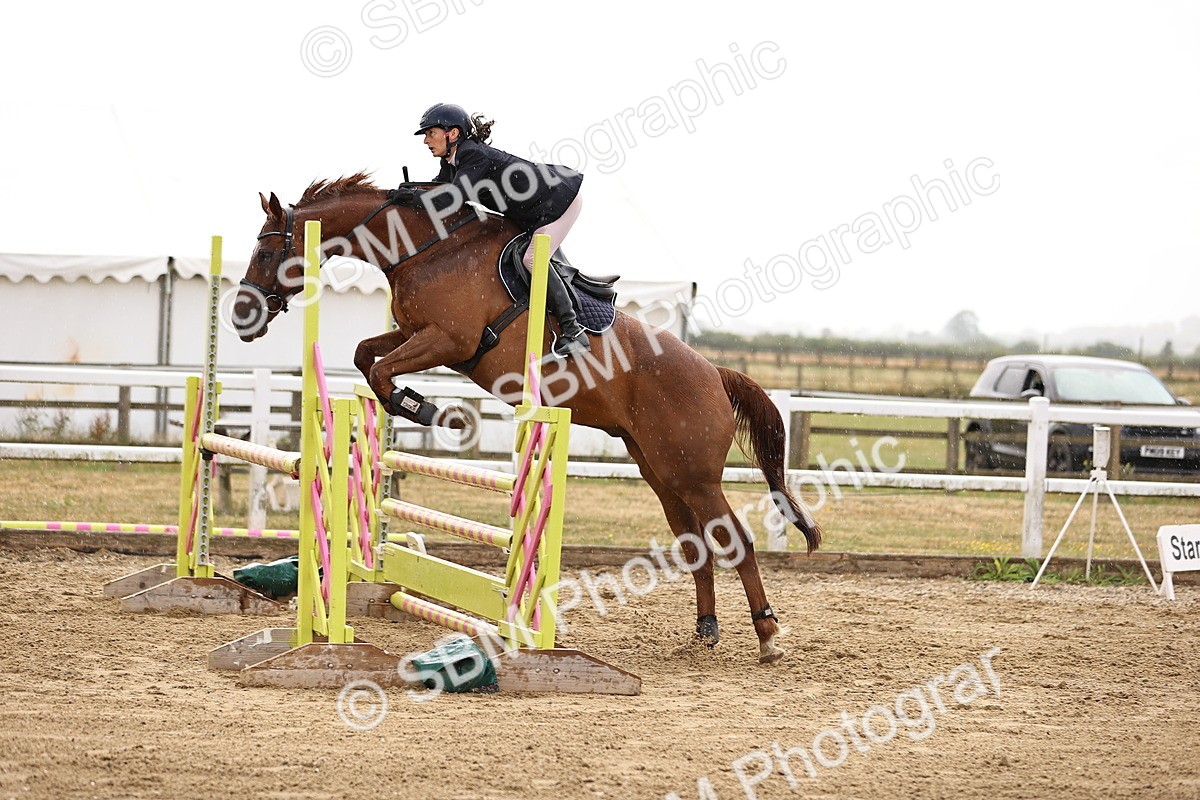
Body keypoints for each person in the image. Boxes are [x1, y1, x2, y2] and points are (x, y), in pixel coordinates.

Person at [411, 102, 590, 359]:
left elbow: (453, 199)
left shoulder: (473, 155)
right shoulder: (452, 162)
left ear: (452, 133)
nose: (426, 140)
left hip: (559, 201)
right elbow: (436, 190)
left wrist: (411, 199)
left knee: (532, 259)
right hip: (535, 210)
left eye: (431, 133)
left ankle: (573, 331)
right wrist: (406, 194)